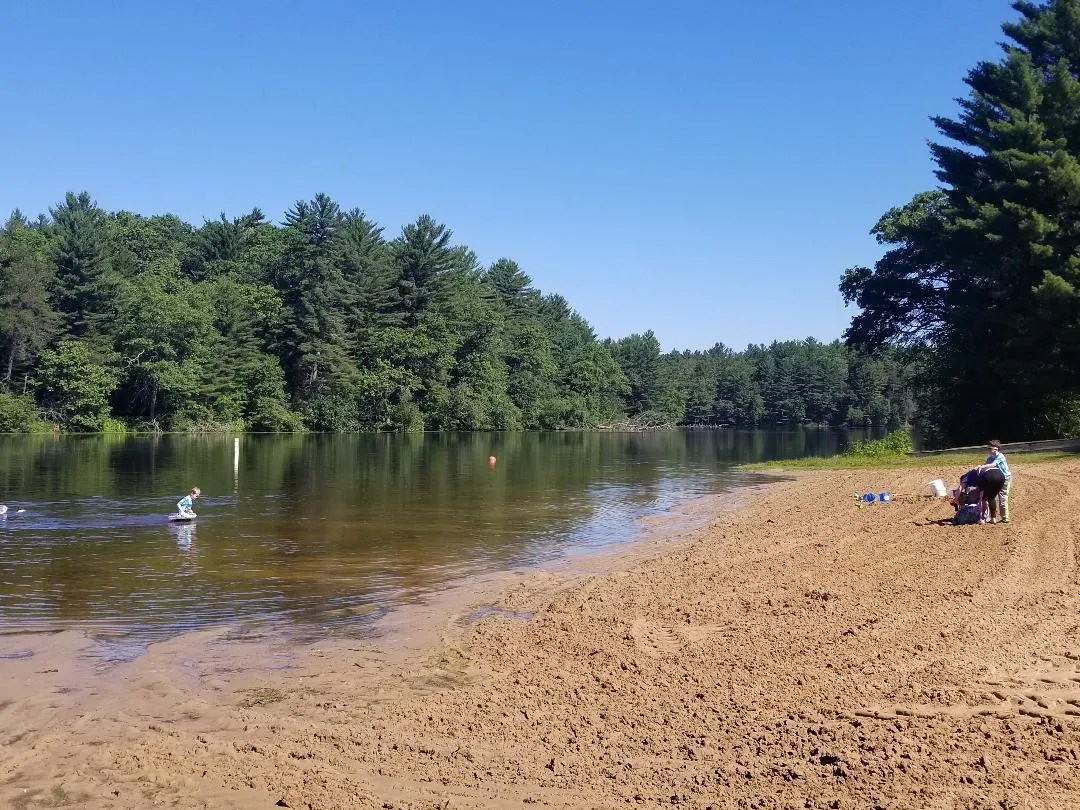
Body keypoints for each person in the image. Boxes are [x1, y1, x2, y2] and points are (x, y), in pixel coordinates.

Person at [978, 439, 1011, 523]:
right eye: (988, 448)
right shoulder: (990, 458)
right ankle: (989, 517)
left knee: (1002, 497)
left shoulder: (1000, 456)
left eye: (990, 448)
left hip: (1005, 478)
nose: (988, 450)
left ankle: (1005, 518)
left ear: (996, 449)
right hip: (996, 479)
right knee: (990, 497)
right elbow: (986, 465)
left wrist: (982, 466)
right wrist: (980, 467)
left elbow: (993, 465)